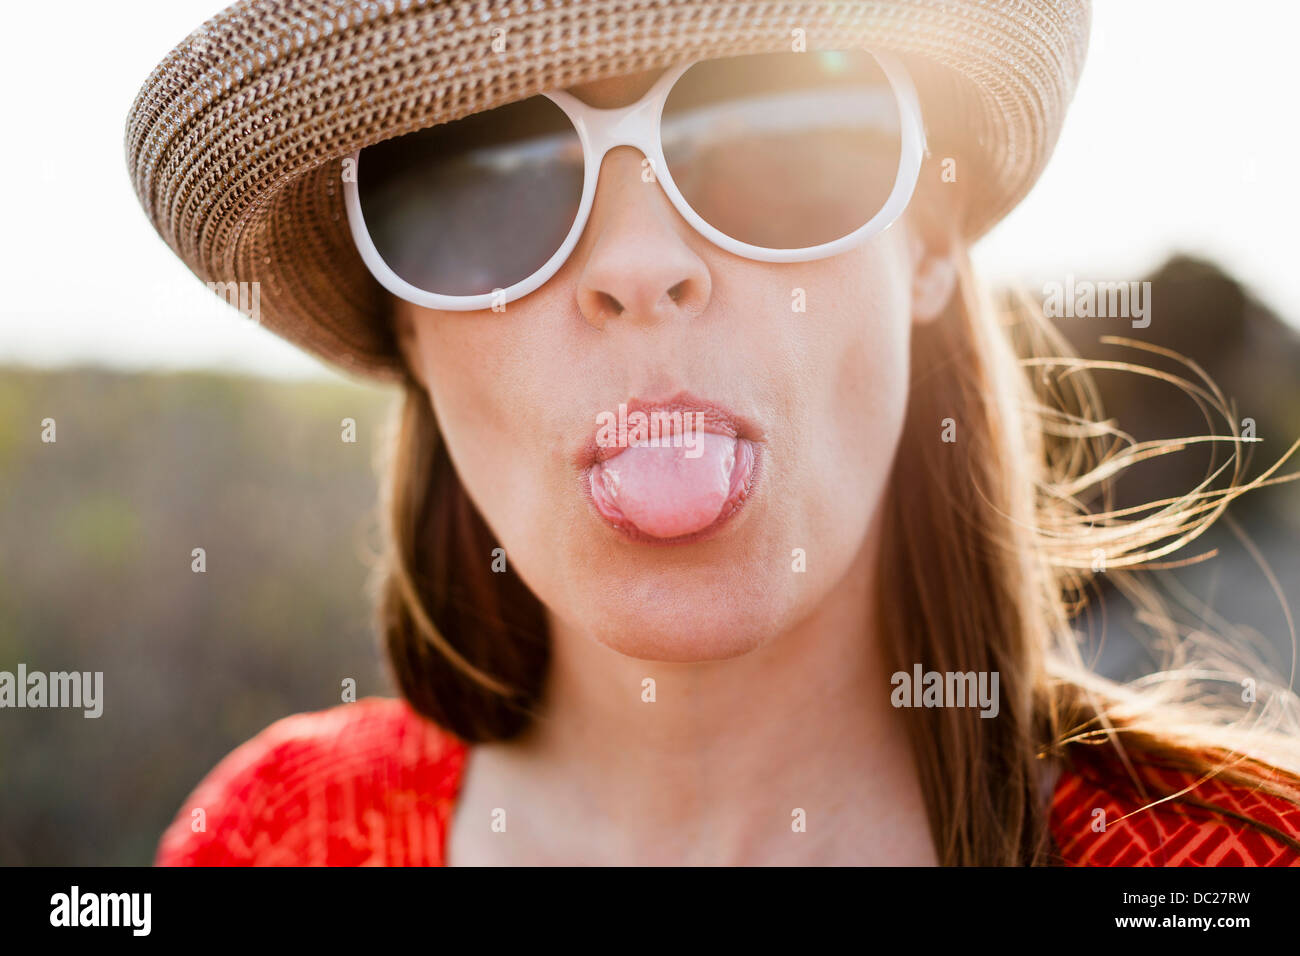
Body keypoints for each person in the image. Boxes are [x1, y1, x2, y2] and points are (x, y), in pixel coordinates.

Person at [127, 0, 1300, 865]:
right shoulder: (270, 839)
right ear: (411, 336)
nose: (641, 265)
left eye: (780, 136)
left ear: (928, 242)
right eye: (484, 185)